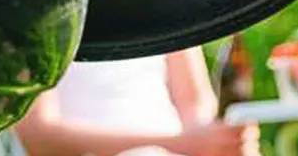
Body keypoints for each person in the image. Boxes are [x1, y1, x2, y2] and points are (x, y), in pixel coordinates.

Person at [15, 50, 261, 156]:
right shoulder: (45, 1)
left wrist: (221, 142)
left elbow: (195, 107)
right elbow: (39, 134)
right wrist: (180, 143)